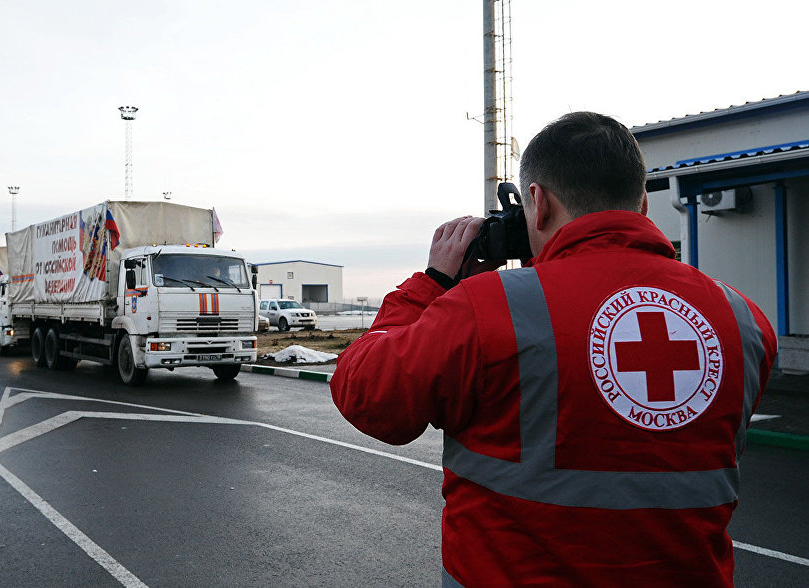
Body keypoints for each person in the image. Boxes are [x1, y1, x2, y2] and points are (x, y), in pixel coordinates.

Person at [331, 111, 777, 587]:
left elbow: (369, 395)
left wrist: (433, 282)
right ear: (643, 204)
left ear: (537, 203)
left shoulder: (488, 309)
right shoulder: (742, 318)